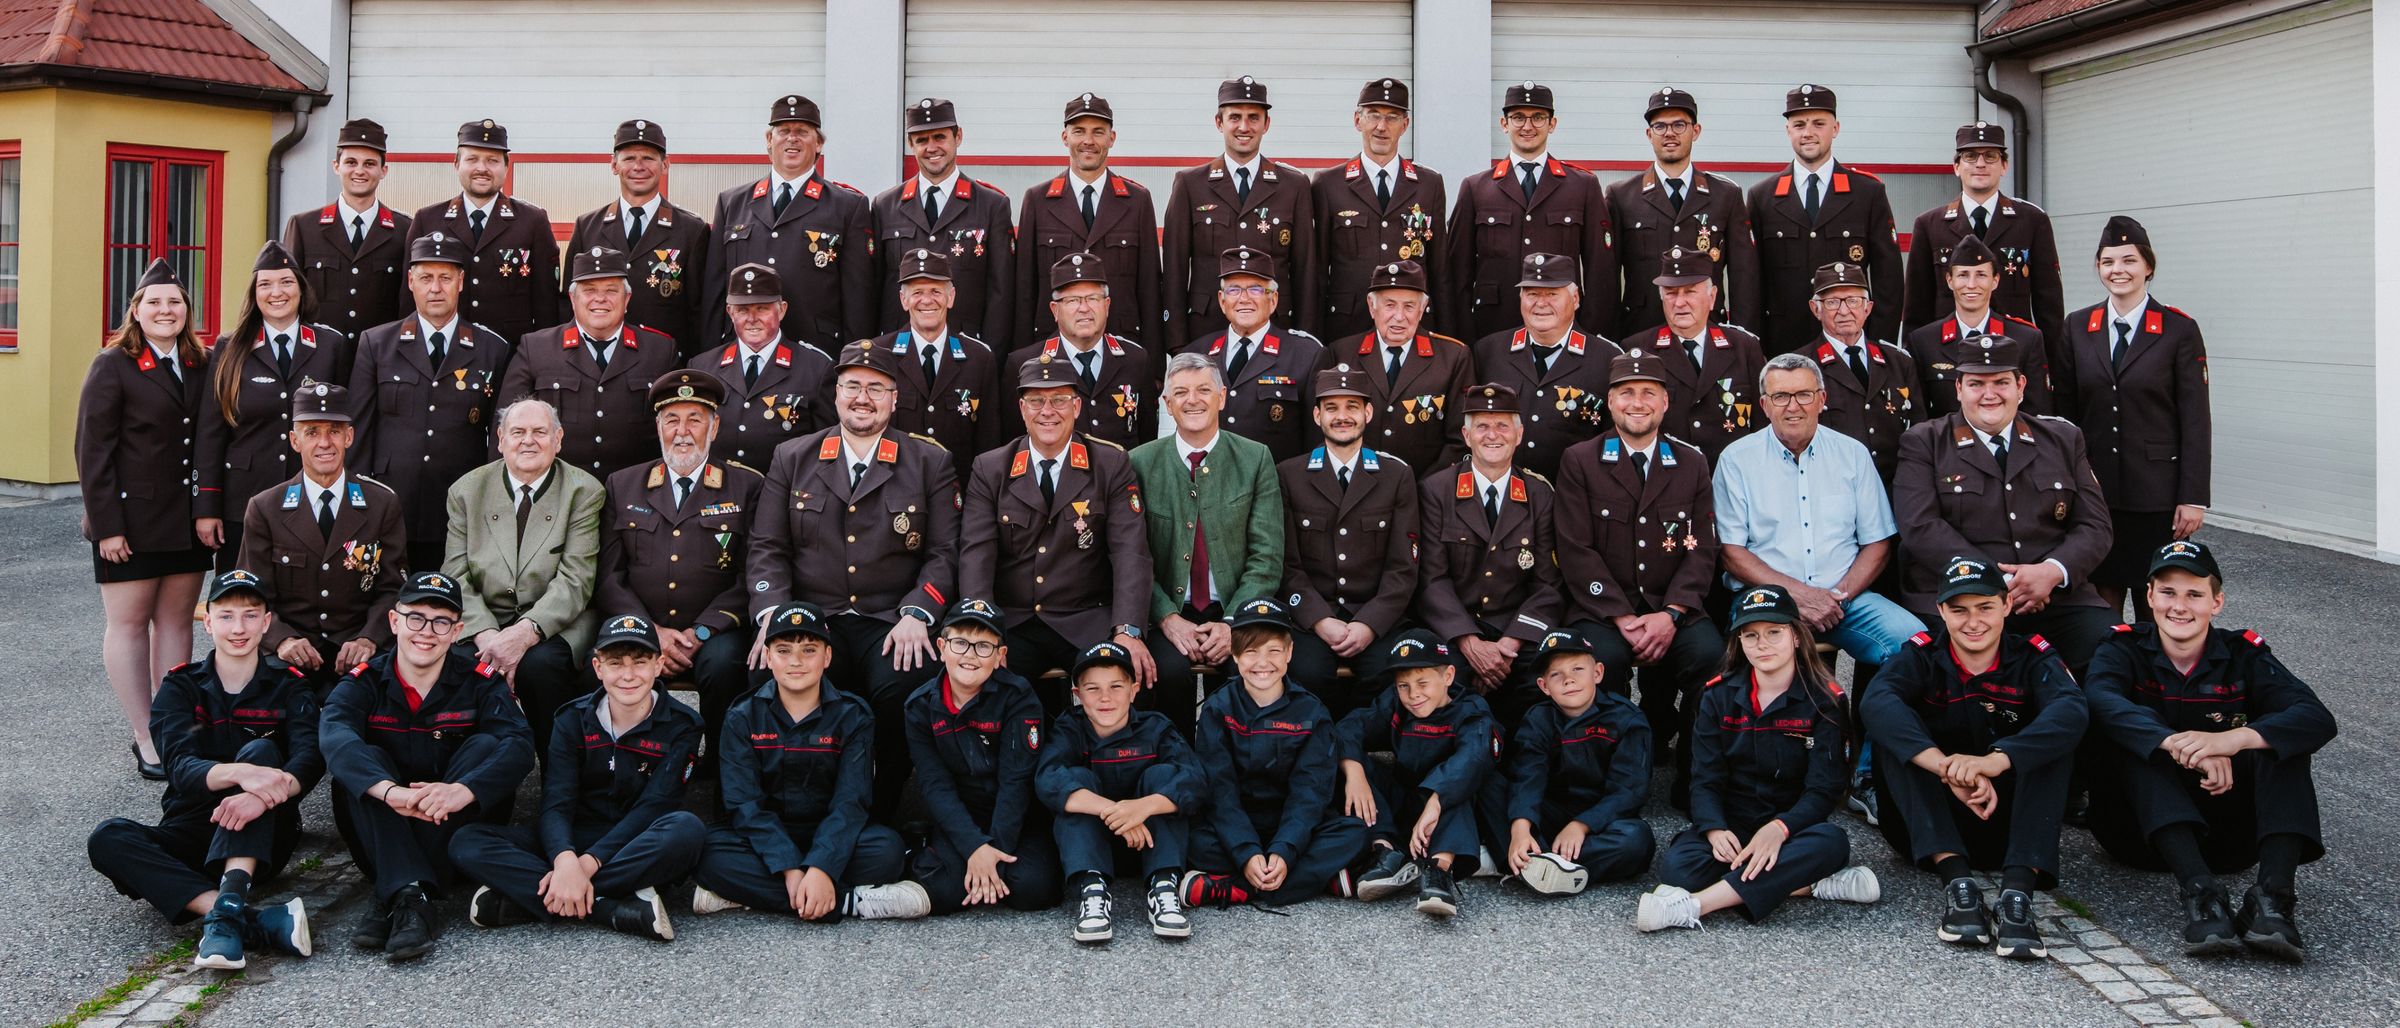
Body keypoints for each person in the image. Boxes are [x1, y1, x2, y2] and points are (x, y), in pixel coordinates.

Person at [2081, 541, 2335, 961]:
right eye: (2167, 592)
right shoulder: (2121, 648)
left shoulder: (2243, 654)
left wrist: (2231, 740)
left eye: (2194, 594)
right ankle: (2201, 894)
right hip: (2138, 836)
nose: (2179, 606)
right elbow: (2099, 701)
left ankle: (2273, 898)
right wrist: (2185, 747)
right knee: (2131, 743)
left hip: (2230, 842)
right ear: (2149, 597)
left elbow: (2315, 716)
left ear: (2216, 603)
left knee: (2281, 744)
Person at [745, 341, 959, 817]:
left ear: (894, 397)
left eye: (876, 389)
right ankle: (784, 807)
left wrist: (919, 611)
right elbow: (767, 548)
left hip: (890, 618)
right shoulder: (793, 456)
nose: (863, 398)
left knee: (905, 682)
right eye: (853, 387)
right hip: (811, 617)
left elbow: (945, 552)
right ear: (837, 394)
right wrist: (773, 615)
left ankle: (881, 811)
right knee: (768, 670)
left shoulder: (928, 462)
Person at [88, 570, 320, 970]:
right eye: (227, 616)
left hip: (264, 828)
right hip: (194, 826)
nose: (238, 628)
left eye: (250, 615)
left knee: (261, 750)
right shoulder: (180, 686)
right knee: (108, 838)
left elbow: (311, 757)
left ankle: (235, 891)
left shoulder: (291, 685)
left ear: (266, 623)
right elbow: (178, 768)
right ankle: (240, 916)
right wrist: (239, 774)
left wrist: (265, 788)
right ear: (208, 622)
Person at [1862, 557, 2088, 960]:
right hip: (1929, 831)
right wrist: (1945, 767)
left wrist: (1996, 762)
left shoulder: (2033, 655)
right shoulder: (1921, 655)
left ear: (2005, 605)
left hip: (2009, 823)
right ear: (1941, 611)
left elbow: (2072, 710)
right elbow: (1877, 702)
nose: (1973, 622)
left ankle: (2017, 895)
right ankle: (1959, 887)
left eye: (1985, 607)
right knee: (1895, 736)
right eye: (1959, 610)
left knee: (2054, 741)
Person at [320, 571, 536, 962]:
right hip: (383, 825)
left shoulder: (481, 681)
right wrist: (390, 792)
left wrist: (463, 791)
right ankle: (411, 895)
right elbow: (334, 734)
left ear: (457, 631)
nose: (427, 631)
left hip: (457, 829)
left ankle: (396, 891)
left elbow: (519, 745)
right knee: (362, 763)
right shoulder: (365, 681)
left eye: (441, 622)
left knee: (487, 744)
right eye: (416, 617)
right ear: (394, 621)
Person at [1637, 586, 1879, 931]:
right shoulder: (1717, 695)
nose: (1762, 644)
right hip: (1733, 821)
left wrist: (1779, 830)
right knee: (1679, 867)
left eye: (1774, 633)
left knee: (1831, 843)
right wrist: (1714, 828)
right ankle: (1813, 885)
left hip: (1791, 826)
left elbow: (1823, 791)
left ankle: (1695, 906)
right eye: (1750, 636)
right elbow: (1703, 776)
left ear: (1796, 636)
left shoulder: (1826, 699)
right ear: (1739, 643)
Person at [449, 614, 702, 942]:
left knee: (687, 831)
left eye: (640, 662)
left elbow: (655, 806)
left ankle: (539, 898)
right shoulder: (571, 719)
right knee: (466, 841)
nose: (628, 675)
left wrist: (585, 867)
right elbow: (556, 800)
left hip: (635, 841)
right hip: (575, 835)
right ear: (598, 669)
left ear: (658, 665)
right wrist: (564, 857)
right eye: (615, 663)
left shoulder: (684, 724)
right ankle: (608, 908)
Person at [1891, 334, 2116, 675]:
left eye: (2001, 382)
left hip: (2053, 597)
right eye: (1977, 384)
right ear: (1959, 389)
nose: (1990, 394)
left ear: (2021, 386)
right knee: (1943, 676)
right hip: (1964, 598)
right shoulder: (1924, 442)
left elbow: (2095, 526)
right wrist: (2001, 584)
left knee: (2113, 656)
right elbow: (1920, 527)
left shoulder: (2062, 439)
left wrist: (2053, 572)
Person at [690, 604, 929, 923]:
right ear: (769, 656)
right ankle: (847, 901)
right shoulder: (742, 716)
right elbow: (744, 805)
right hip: (768, 835)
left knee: (887, 851)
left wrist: (821, 866)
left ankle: (752, 894)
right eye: (784, 650)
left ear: (827, 658)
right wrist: (789, 867)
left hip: (826, 829)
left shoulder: (853, 715)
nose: (796, 661)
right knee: (708, 854)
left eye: (809, 650)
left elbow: (851, 802)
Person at [1554, 352, 1724, 802]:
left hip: (1674, 609)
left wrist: (1670, 613)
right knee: (1597, 666)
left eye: (1648, 393)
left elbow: (1701, 547)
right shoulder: (1581, 460)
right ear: (1610, 403)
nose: (1637, 402)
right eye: (1626, 393)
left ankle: (1696, 784)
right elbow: (1576, 549)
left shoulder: (1691, 462)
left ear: (1666, 403)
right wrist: (1621, 617)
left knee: (1711, 660)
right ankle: (1607, 785)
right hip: (1603, 610)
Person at [77, 258, 214, 779]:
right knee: (130, 625)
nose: (165, 310)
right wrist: (106, 525)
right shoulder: (112, 363)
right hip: (129, 523)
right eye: (154, 302)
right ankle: (144, 734)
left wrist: (206, 510)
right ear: (135, 310)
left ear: (187, 311)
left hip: (185, 520)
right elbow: (93, 452)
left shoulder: (198, 363)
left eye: (174, 302)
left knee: (177, 624)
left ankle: (173, 725)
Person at [958, 354, 1153, 713]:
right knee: (984, 690)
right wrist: (983, 626)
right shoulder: (992, 468)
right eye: (1036, 400)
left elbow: (1130, 553)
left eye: (1059, 399)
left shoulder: (1110, 464)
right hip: (1014, 621)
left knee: (1124, 681)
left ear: (1077, 406)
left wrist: (1127, 629)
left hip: (1084, 619)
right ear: (1021, 408)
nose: (1047, 410)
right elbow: (976, 553)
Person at [596, 371, 765, 774]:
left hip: (714, 633)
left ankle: (728, 780)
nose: (683, 431)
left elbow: (753, 573)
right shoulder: (624, 484)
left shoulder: (746, 486)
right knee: (600, 661)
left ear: (715, 425)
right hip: (639, 626)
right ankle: (612, 773)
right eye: (672, 419)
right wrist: (648, 631)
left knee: (726, 666)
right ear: (658, 426)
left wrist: (701, 632)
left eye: (695, 419)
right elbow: (608, 575)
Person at [2055, 216, 2212, 624]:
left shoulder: (2178, 329)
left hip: (2156, 496)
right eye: (2107, 262)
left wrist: (2193, 496)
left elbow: (2195, 419)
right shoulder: (2077, 326)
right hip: (2096, 491)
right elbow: (2065, 415)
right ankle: (2107, 681)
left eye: (2128, 260)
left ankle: (2154, 685)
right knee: (2100, 601)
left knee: (2156, 601)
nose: (2117, 270)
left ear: (2148, 266)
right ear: (2098, 268)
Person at [1129, 353, 1287, 732]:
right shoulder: (1139, 462)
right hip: (1168, 611)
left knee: (1249, 669)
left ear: (1222, 397)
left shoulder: (1254, 458)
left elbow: (1266, 556)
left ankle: (1235, 771)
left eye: (1203, 390)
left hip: (1236, 608)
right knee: (1164, 672)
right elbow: (1132, 558)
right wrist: (1167, 618)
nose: (1193, 400)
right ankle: (1174, 768)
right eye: (1180, 392)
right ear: (1167, 404)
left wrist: (1233, 620)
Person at [443, 399, 607, 761]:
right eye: (518, 432)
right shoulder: (466, 491)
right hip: (483, 620)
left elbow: (576, 579)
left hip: (557, 620)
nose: (528, 441)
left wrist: (524, 633)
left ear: (558, 439)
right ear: (500, 439)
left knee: (541, 667)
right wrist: (488, 636)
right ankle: (472, 775)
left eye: (539, 432)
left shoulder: (584, 490)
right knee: (458, 661)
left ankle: (558, 773)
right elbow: (455, 574)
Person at [1179, 600, 1367, 911]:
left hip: (1290, 823)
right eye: (1251, 651)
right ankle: (1311, 879)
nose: (1262, 662)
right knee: (1185, 837)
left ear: (1290, 653)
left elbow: (1310, 793)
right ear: (1236, 656)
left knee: (1355, 833)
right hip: (1236, 823)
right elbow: (1220, 791)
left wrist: (1285, 849)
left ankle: (1237, 888)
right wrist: (1246, 851)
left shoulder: (1311, 711)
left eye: (1274, 651)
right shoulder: (1217, 708)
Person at [344, 231, 510, 573]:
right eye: (425, 278)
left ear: (460, 282)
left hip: (459, 501)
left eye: (445, 278)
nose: (435, 288)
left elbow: (498, 435)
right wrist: (357, 500)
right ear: (410, 282)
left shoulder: (492, 349)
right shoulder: (377, 344)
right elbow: (358, 429)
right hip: (390, 498)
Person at [235, 383, 406, 689]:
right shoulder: (266, 508)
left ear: (349, 436)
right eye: (312, 432)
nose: (325, 443)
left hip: (357, 651)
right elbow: (251, 595)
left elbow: (393, 589)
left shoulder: (382, 503)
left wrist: (369, 637)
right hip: (289, 654)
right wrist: (281, 639)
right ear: (295, 440)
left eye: (335, 431)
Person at [1414, 383, 1565, 728]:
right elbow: (1431, 578)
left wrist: (1508, 645)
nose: (1492, 435)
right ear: (1466, 435)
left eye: (1502, 425)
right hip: (1457, 629)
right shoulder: (1436, 490)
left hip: (1517, 631)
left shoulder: (1540, 494)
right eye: (1482, 426)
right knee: (1442, 681)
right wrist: (1470, 642)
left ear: (1519, 434)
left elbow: (1548, 585)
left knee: (1546, 681)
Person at [899, 600, 1063, 916]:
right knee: (944, 892)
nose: (971, 655)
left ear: (1001, 656)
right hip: (963, 813)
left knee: (1034, 889)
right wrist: (974, 846)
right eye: (961, 643)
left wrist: (995, 851)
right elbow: (935, 785)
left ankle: (986, 865)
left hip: (1018, 813)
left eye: (984, 646)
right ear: (942, 647)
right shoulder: (919, 706)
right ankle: (927, 848)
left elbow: (1016, 782)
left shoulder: (1019, 698)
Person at [198, 242, 352, 572]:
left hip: (313, 495)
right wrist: (206, 507)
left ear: (301, 289)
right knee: (240, 598)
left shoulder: (330, 345)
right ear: (254, 293)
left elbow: (346, 422)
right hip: (243, 500)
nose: (276, 292)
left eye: (286, 282)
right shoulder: (230, 346)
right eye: (265, 284)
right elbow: (210, 433)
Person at [1334, 630, 1505, 920]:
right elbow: (1349, 728)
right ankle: (1385, 853)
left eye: (1423, 683)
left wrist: (1436, 800)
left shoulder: (1471, 711)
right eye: (1404, 685)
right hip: (1408, 801)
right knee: (1354, 763)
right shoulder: (1397, 704)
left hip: (1452, 808)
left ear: (1448, 676)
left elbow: (1473, 758)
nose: (1413, 694)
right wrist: (1354, 771)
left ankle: (1439, 871)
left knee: (1458, 784)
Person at [1275, 368, 1418, 713]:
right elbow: (1286, 563)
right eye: (1332, 407)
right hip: (1312, 618)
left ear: (1367, 414)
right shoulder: (1289, 475)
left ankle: (1362, 755)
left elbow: (1404, 567)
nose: (1342, 417)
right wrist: (1320, 620)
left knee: (1387, 671)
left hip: (1374, 617)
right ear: (1317, 415)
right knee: (1306, 672)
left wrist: (1369, 624)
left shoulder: (1396, 475)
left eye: (1352, 406)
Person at [1040, 641, 1202, 943]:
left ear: (1134, 689)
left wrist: (1144, 807)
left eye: (1116, 686)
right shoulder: (1069, 729)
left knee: (1165, 775)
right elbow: (1048, 780)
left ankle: (1164, 886)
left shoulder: (1156, 727)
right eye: (1092, 689)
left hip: (1152, 845)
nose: (1105, 698)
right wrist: (1116, 813)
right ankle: (1093, 891)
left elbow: (1194, 779)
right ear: (1077, 695)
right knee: (1074, 780)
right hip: (1090, 847)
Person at [701, 94, 875, 351]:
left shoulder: (847, 206)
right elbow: (714, 290)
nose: (792, 138)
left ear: (819, 144)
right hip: (742, 350)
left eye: (802, 131)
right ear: (769, 141)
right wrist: (710, 355)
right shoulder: (732, 202)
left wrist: (853, 362)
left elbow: (858, 297)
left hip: (817, 351)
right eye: (783, 131)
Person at [1446, 81, 1617, 341]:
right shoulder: (1476, 188)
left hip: (1562, 330)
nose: (1528, 126)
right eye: (1518, 118)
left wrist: (1590, 334)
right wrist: (1465, 338)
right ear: (1504, 124)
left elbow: (1600, 272)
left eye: (1538, 117)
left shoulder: (1582, 186)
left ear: (1552, 124)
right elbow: (1458, 274)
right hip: (1493, 329)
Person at [499, 246, 681, 480]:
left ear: (627, 299)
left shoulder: (660, 352)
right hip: (559, 493)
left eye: (611, 290)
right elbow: (505, 425)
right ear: (573, 299)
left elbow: (677, 430)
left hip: (636, 492)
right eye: (590, 290)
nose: (600, 299)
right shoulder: (536, 349)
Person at [1747, 85, 1904, 355]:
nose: (1808, 133)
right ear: (1788, 132)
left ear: (1836, 128)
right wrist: (1756, 347)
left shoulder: (1868, 193)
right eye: (1798, 125)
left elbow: (1888, 280)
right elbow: (1751, 281)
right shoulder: (1763, 197)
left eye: (1818, 123)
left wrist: (1878, 346)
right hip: (1784, 344)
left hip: (1850, 344)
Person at [1162, 76, 1317, 345]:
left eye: (1253, 118)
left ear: (1266, 124)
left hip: (1276, 329)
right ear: (1219, 122)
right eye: (1235, 117)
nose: (1244, 127)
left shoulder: (1294, 186)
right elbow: (1175, 269)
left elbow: (1305, 269)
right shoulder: (1190, 184)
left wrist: (1305, 336)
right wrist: (1177, 341)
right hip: (1207, 329)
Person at [1502, 630, 1656, 897]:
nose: (1568, 680)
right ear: (1543, 686)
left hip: (1600, 820)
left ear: (1597, 673)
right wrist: (1521, 826)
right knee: (1493, 787)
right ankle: (1530, 854)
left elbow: (1628, 791)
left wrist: (1582, 825)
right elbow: (1528, 776)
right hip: (1550, 814)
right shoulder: (1538, 718)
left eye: (1577, 669)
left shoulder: (1626, 719)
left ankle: (1533, 863)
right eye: (1556, 675)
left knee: (1636, 840)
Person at [1903, 122, 2064, 368]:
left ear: (2004, 166)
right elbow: (1917, 307)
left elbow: (2049, 305)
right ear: (1956, 166)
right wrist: (1914, 367)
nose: (1980, 164)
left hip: (2014, 357)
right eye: (1970, 156)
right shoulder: (1929, 224)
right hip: (1948, 360)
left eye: (1991, 156)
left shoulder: (2032, 221)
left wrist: (2051, 367)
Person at [1607, 87, 1759, 336]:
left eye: (1679, 125)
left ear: (1695, 131)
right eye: (1660, 126)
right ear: (1649, 133)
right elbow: (1608, 278)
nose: (1669, 134)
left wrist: (1744, 338)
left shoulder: (1726, 195)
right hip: (1643, 331)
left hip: (1709, 332)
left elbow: (1744, 278)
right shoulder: (1622, 196)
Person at [1016, 93, 1162, 348]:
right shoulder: (1037, 200)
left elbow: (1149, 288)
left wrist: (1153, 365)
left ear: (1111, 138)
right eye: (1079, 131)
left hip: (1123, 347)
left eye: (1098, 132)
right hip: (1051, 348)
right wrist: (1022, 358)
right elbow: (1024, 289)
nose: (1088, 141)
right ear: (1065, 137)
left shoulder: (1137, 200)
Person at [873, 98, 1016, 351]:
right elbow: (873, 287)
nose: (931, 147)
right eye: (922, 140)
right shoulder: (885, 206)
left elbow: (1001, 293)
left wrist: (992, 355)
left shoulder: (992, 205)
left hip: (968, 349)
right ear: (910, 144)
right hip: (899, 352)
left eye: (939, 137)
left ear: (957, 137)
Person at [404, 119, 562, 347]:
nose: (482, 168)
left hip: (511, 356)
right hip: (444, 355)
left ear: (506, 167)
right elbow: (408, 300)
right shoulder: (427, 220)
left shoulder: (532, 221)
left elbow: (547, 305)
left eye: (492, 161)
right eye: (472, 159)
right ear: (456, 164)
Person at [1313, 78, 1447, 344]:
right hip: (1347, 325)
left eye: (1392, 117)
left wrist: (1446, 332)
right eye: (1373, 115)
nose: (1381, 127)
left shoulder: (1429, 184)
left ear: (1405, 125)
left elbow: (1440, 269)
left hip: (1410, 328)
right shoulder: (1328, 184)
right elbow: (1316, 270)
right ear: (1357, 120)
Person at [1465, 253, 1620, 480]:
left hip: (1572, 492)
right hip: (1504, 496)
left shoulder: (1606, 358)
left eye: (1552, 294)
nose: (1540, 303)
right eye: (1532, 294)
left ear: (1575, 299)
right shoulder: (1489, 351)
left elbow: (1613, 438)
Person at [567, 119, 712, 358]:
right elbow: (569, 300)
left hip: (664, 361)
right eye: (629, 158)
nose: (639, 166)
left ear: (665, 165)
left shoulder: (691, 230)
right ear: (614, 165)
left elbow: (700, 309)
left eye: (648, 158)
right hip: (599, 359)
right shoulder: (588, 226)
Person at [1314, 259, 1474, 472]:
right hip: (1356, 489)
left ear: (1422, 309)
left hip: (1424, 491)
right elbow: (1323, 430)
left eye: (1409, 306)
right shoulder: (1340, 353)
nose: (1399, 317)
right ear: (1372, 307)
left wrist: (1427, 490)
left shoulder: (1453, 357)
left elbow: (1460, 438)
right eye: (1389, 305)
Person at [1178, 245, 1327, 462]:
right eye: (1234, 290)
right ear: (1222, 300)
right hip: (1209, 484)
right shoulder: (1196, 352)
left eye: (1256, 289)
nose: (1244, 299)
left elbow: (1317, 440)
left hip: (1274, 486)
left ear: (1273, 299)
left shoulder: (1306, 354)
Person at [1620, 246, 1766, 463]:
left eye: (1690, 291)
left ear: (1712, 296)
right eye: (1671, 293)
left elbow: (1763, 425)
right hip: (1669, 479)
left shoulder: (1744, 347)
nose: (1679, 303)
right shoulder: (1639, 350)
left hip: (1733, 476)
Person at [1002, 252, 1157, 450]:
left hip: (1120, 478)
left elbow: (1146, 442)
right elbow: (1013, 445)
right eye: (1073, 300)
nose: (1084, 308)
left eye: (1093, 298)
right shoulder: (1023, 363)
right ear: (1055, 310)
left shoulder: (1136, 359)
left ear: (1107, 305)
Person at [688, 263, 836, 469]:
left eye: (762, 308)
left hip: (783, 492)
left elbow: (827, 449)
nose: (752, 319)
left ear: (782, 310)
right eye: (743, 310)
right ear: (730, 312)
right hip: (717, 492)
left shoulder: (816, 370)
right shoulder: (703, 366)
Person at [880, 247, 1006, 480]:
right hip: (894, 495)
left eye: (936, 291)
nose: (927, 300)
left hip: (958, 494)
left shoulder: (979, 359)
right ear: (903, 300)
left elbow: (988, 444)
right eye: (917, 292)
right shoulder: (880, 355)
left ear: (951, 297)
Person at [282, 118, 413, 340]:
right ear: (336, 166)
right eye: (351, 162)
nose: (359, 171)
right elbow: (290, 297)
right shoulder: (304, 228)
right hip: (319, 359)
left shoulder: (405, 230)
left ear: (384, 170)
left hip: (380, 362)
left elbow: (408, 305)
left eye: (369, 164)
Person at [1905, 235, 2052, 418]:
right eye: (1963, 275)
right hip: (1944, 444)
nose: (1971, 285)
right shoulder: (1923, 342)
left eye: (1981, 275)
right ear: (1949, 280)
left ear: (1995, 280)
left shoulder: (2026, 339)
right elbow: (1919, 416)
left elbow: (2037, 413)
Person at [1802, 262, 1919, 482]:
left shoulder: (1898, 362)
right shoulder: (1801, 366)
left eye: (1853, 301)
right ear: (1816, 309)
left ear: (1868, 308)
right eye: (1832, 302)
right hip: (1832, 489)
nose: (1844, 311)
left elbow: (1919, 431)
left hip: (1895, 487)